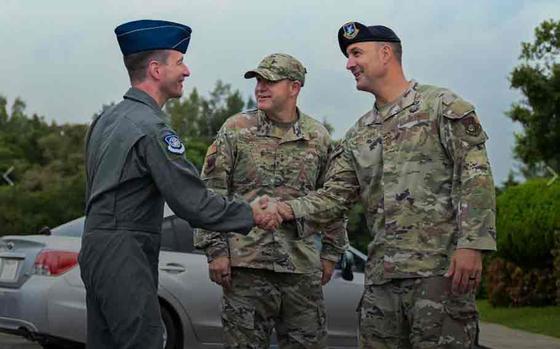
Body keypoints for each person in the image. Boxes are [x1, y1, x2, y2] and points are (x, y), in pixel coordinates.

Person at [273, 22, 497, 348]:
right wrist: (284, 209)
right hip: (381, 283)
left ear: (386, 53)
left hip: (438, 275)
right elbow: (335, 198)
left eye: (356, 53)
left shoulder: (441, 107)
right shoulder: (358, 135)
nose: (349, 63)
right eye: (349, 56)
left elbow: (475, 175)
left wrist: (472, 244)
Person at [79, 19, 280, 349]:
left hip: (96, 247)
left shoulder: (106, 120)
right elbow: (191, 202)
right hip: (125, 252)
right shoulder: (152, 128)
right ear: (156, 70)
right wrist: (250, 213)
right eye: (180, 62)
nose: (186, 71)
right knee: (142, 341)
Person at [194, 53, 348, 349]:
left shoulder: (318, 137)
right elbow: (211, 192)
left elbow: (333, 198)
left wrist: (331, 252)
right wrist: (215, 250)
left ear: (294, 87)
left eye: (270, 81)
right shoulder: (236, 129)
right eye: (258, 81)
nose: (260, 88)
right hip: (246, 268)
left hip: (300, 270)